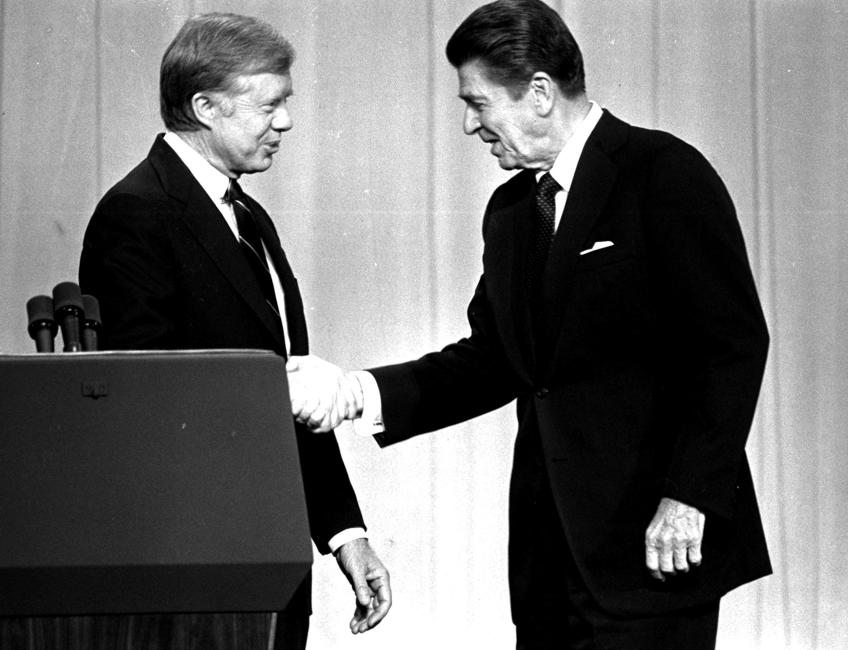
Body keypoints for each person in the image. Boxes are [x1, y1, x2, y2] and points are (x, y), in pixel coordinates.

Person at [289, 0, 769, 647]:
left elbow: (732, 346)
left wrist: (690, 498)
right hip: (549, 563)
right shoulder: (512, 212)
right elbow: (495, 360)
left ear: (539, 92)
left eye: (479, 101)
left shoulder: (663, 174)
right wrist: (355, 393)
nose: (468, 125)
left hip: (654, 549)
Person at [79, 12, 390, 648]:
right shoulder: (134, 215)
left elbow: (293, 393)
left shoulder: (248, 215)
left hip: (267, 567)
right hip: (196, 577)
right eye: (271, 104)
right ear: (205, 107)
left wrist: (345, 536)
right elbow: (146, 405)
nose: (287, 122)